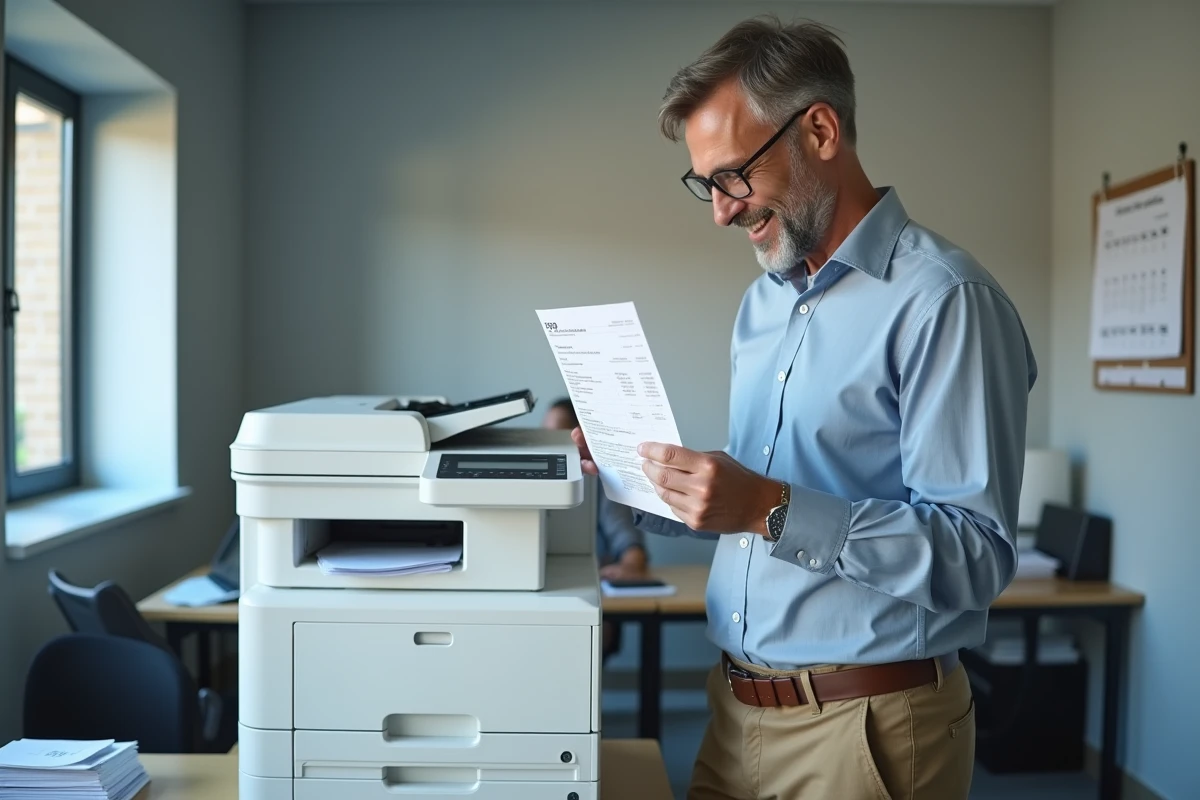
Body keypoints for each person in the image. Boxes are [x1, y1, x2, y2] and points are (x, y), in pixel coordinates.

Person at [570, 16, 1037, 800]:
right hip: (734, 715)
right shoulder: (763, 306)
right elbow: (759, 506)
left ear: (819, 131)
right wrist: (638, 476)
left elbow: (976, 555)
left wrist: (768, 506)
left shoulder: (945, 302)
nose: (720, 211)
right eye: (706, 184)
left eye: (732, 176)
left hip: (866, 729)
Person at [543, 398, 649, 660]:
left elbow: (630, 545)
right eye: (545, 433)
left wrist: (629, 565)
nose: (550, 443)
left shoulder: (599, 483)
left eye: (559, 435)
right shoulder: (532, 479)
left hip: (587, 600)